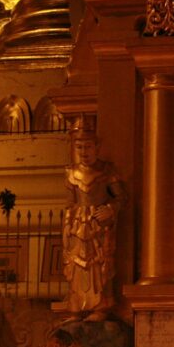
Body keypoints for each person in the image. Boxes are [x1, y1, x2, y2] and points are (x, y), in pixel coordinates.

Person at [61, 130, 126, 322]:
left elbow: (122, 198)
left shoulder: (107, 171)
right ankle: (76, 307)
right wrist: (66, 227)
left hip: (99, 226)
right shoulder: (71, 173)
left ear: (97, 148)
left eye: (88, 146)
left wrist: (111, 210)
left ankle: (101, 307)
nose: (83, 151)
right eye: (79, 147)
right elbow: (69, 203)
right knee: (77, 266)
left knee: (99, 265)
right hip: (77, 226)